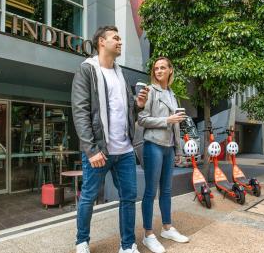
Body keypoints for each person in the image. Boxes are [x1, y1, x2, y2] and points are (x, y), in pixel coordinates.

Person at [72, 26, 149, 253]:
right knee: (88, 197)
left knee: (128, 198)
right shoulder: (87, 70)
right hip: (99, 151)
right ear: (101, 42)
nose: (120, 41)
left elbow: (125, 110)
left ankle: (127, 245)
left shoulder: (120, 73)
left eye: (120, 38)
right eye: (115, 38)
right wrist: (90, 148)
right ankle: (82, 241)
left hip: (124, 150)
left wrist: (138, 105)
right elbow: (80, 111)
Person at [138, 57, 189, 253]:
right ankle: (148, 234)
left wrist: (177, 149)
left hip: (168, 148)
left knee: (166, 190)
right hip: (153, 145)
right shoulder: (150, 91)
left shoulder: (172, 94)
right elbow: (142, 119)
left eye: (162, 67)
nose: (159, 71)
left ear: (170, 70)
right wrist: (166, 119)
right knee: (151, 191)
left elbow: (176, 124)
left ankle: (167, 228)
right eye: (156, 68)